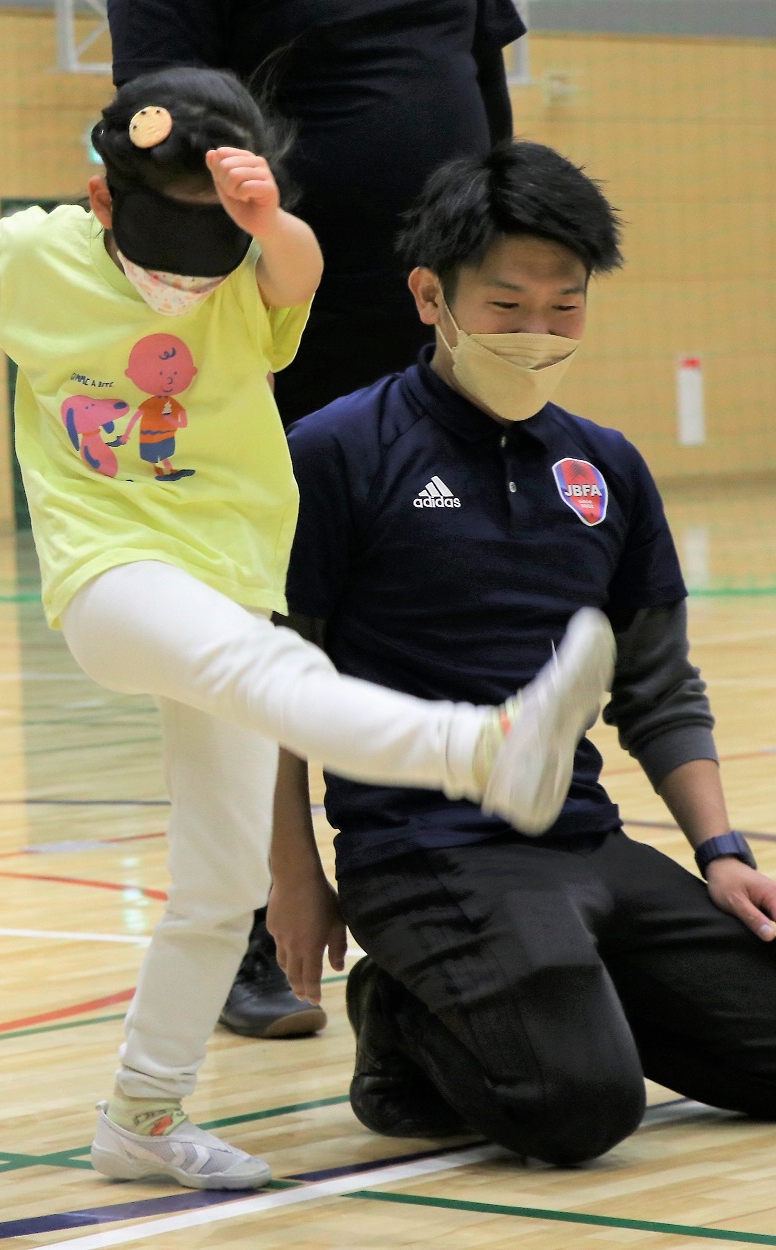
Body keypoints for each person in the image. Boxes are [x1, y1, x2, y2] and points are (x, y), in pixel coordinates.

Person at [0, 69, 616, 1190]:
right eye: (159, 245)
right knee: (271, 666)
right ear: (100, 202)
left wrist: (266, 220)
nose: (179, 277)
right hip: (110, 575)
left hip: (228, 578)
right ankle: (480, 748)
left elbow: (303, 268)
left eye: (210, 245)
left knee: (219, 880)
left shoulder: (250, 267)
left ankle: (141, 1115)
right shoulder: (36, 256)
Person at [265, 142, 776, 1165]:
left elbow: (660, 686)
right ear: (428, 296)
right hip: (422, 851)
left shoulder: (607, 465)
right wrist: (292, 871)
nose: (537, 331)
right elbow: (271, 684)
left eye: (565, 306)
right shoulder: (335, 452)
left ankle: (545, 986)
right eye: (506, 305)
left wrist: (723, 854)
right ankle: (399, 1013)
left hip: (583, 841)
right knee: (577, 1108)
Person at [108, 0, 527, 1040]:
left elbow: (484, 84)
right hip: (271, 316)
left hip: (430, 312)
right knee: (252, 615)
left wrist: (502, 254)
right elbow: (159, 120)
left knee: (439, 582)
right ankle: (251, 910)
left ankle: (445, 893)